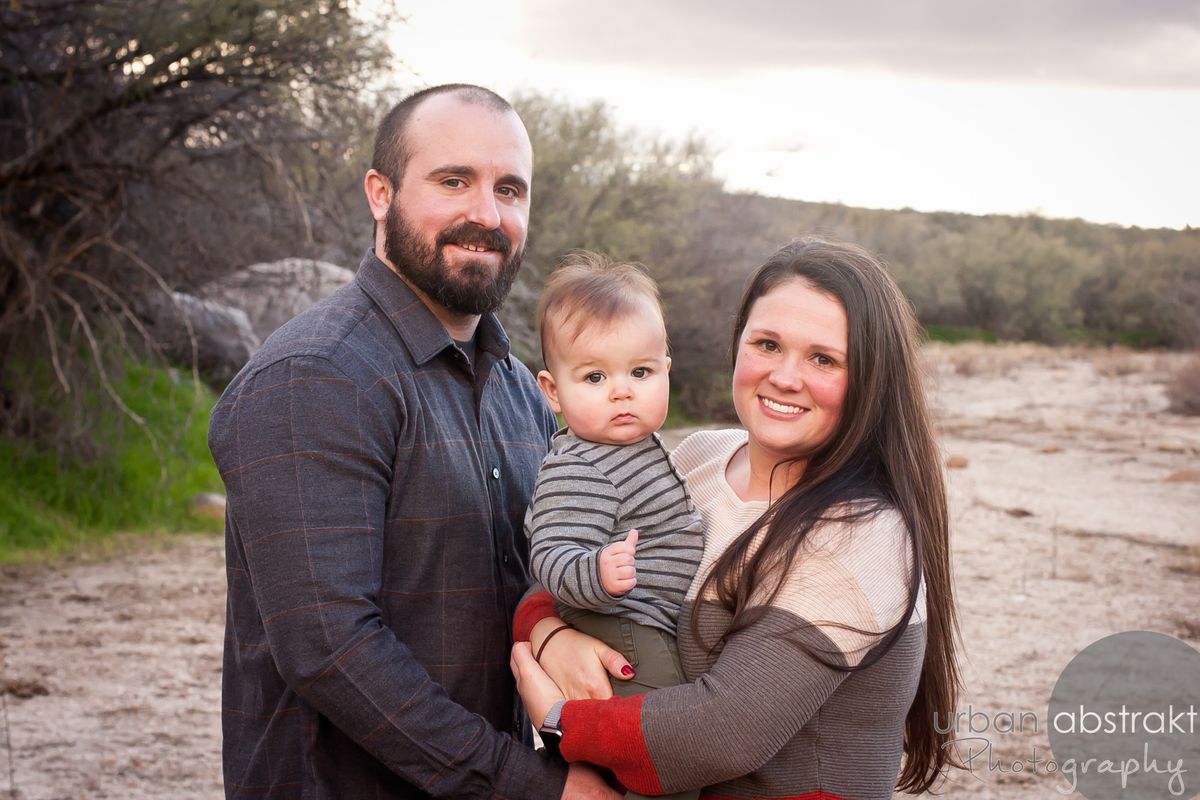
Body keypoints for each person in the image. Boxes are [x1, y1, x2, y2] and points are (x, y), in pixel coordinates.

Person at [209, 84, 620, 799]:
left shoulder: (521, 390)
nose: (486, 215)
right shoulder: (316, 376)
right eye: (453, 181)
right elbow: (330, 647)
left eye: (510, 189)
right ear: (380, 192)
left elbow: (546, 577)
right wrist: (530, 785)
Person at [511, 238, 961, 799]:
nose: (785, 377)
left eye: (824, 359)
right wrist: (550, 634)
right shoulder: (696, 459)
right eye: (767, 344)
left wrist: (559, 718)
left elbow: (722, 732)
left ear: (871, 378)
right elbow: (561, 560)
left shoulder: (863, 534)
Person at [525, 253, 706, 800]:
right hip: (619, 624)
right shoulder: (580, 464)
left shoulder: (642, 447)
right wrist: (595, 572)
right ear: (553, 392)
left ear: (666, 371)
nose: (621, 390)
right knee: (670, 750)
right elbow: (549, 552)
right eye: (595, 376)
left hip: (649, 621)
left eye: (640, 372)